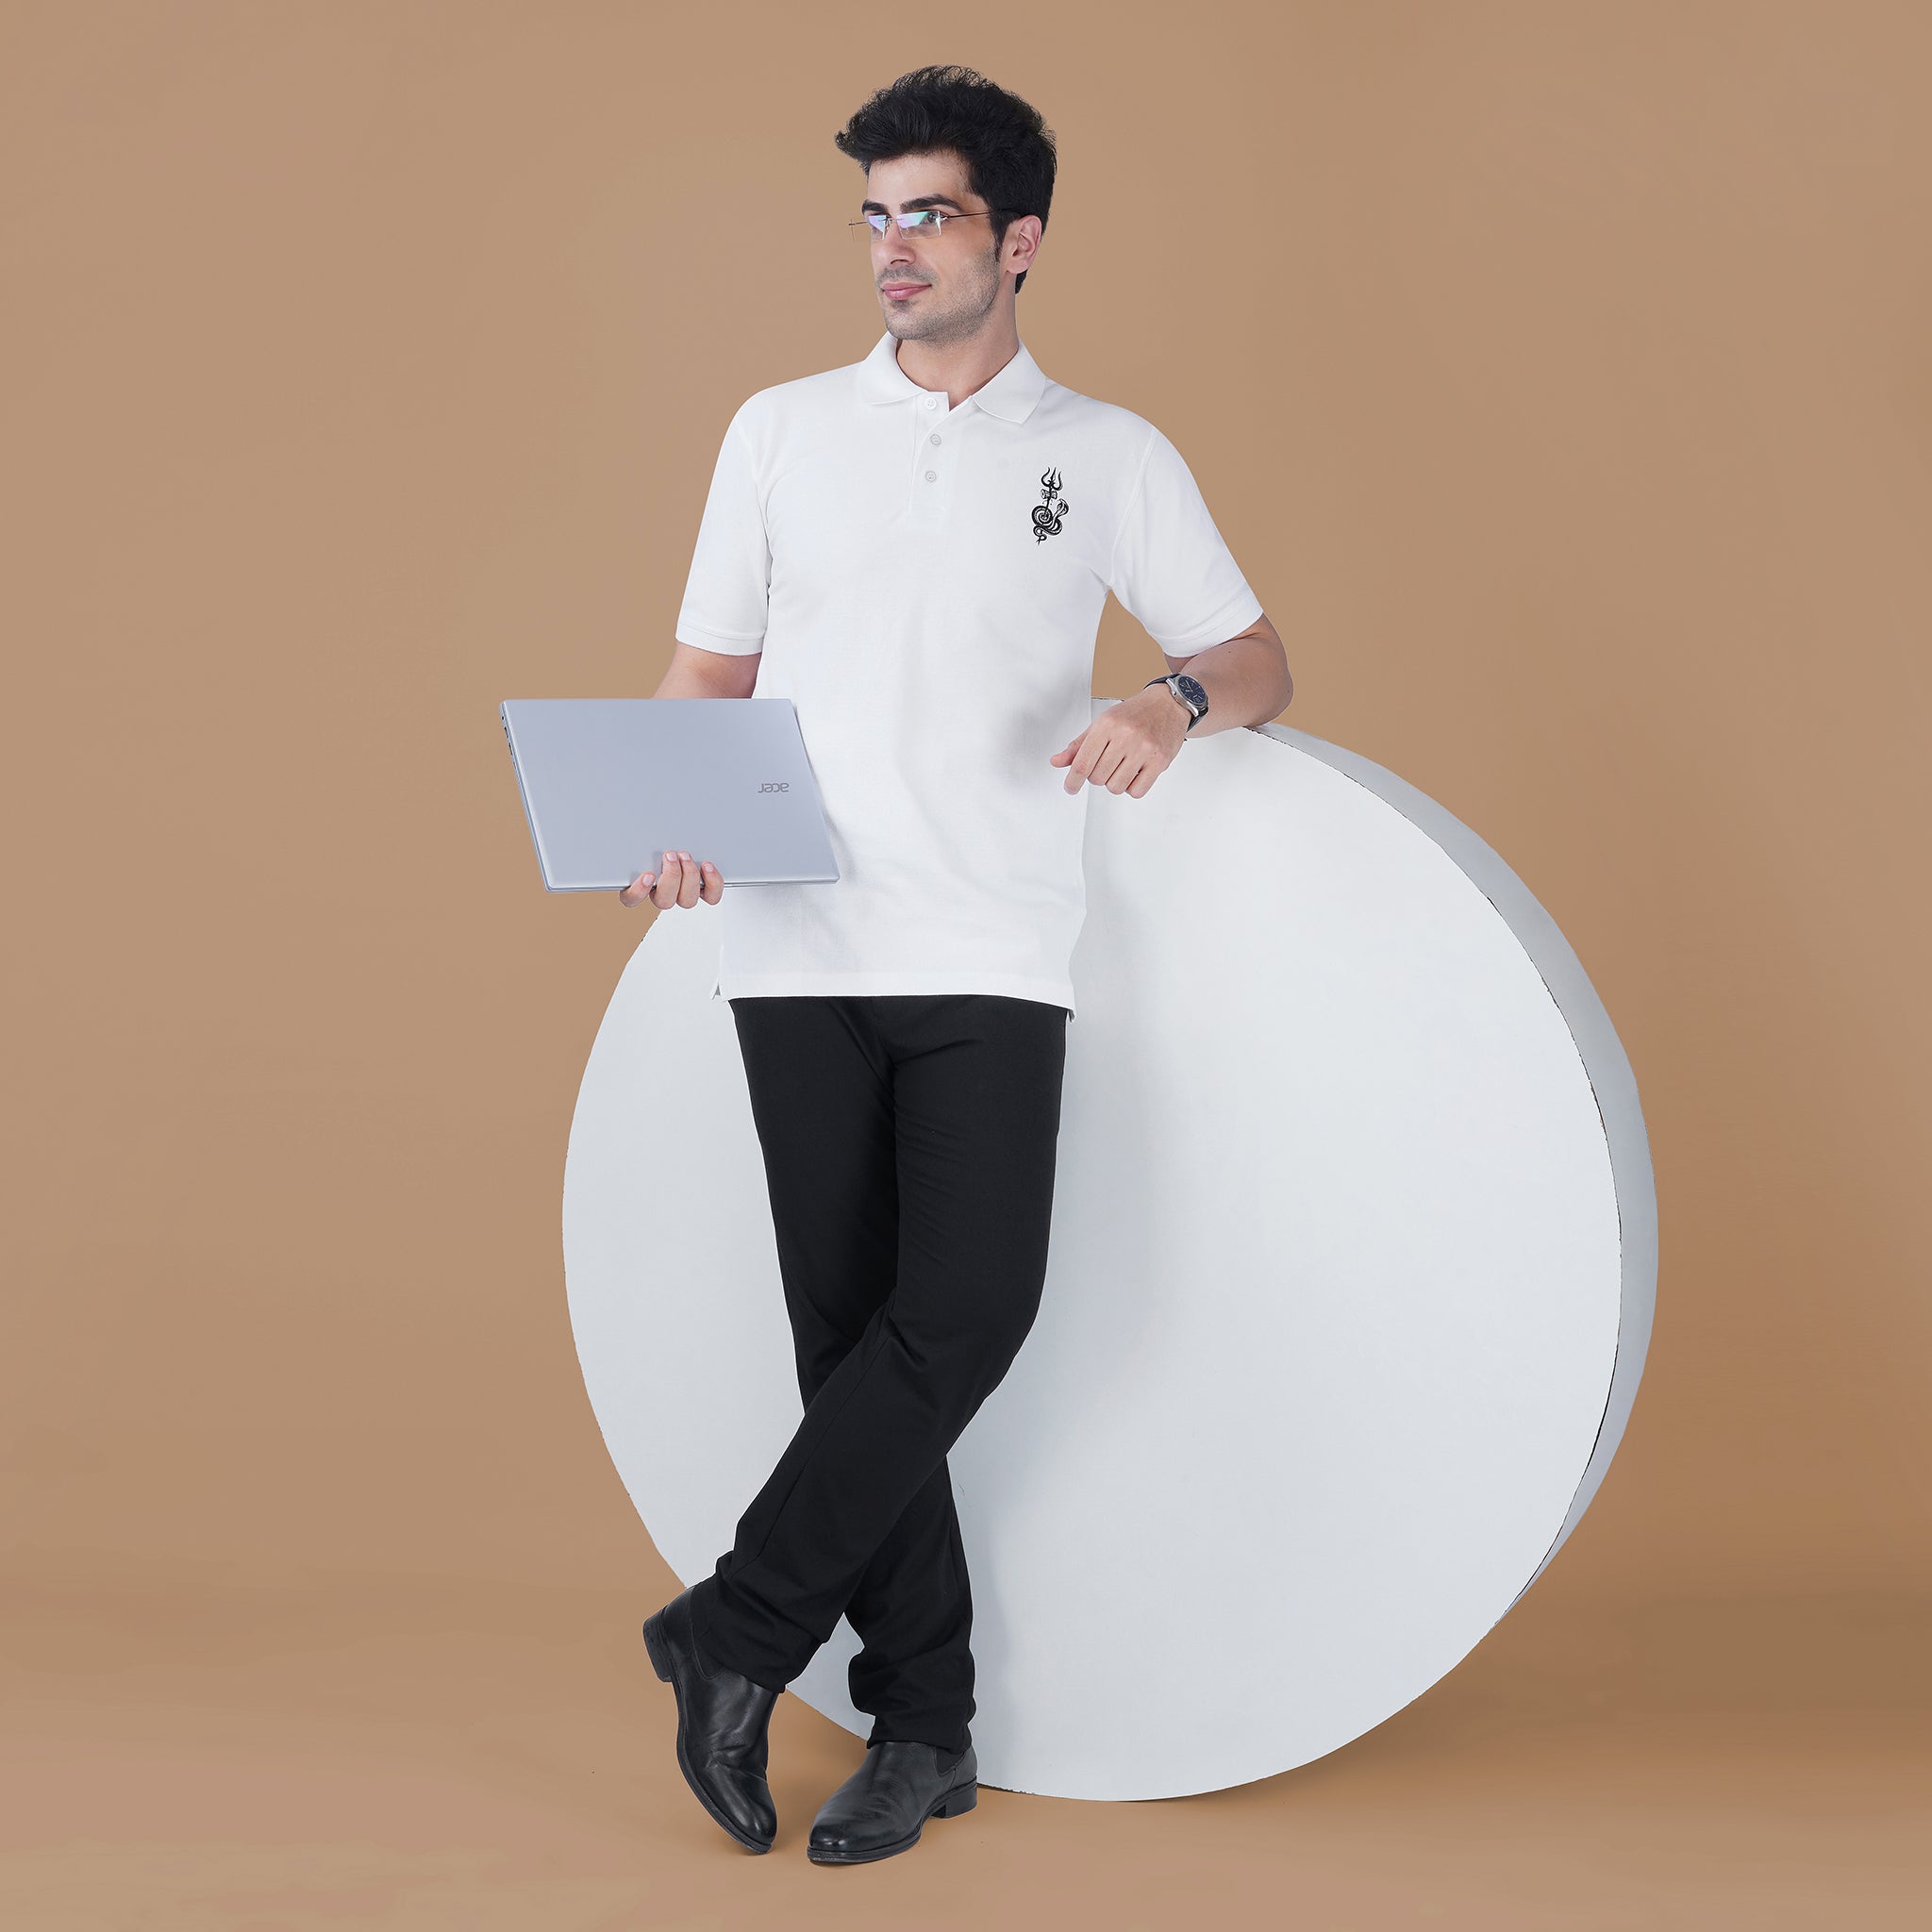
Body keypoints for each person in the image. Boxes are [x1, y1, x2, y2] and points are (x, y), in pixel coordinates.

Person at [624, 64, 1293, 1865]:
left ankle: (735, 1631)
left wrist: (1163, 701)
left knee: (963, 1314)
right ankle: (926, 1729)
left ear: (1022, 240)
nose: (894, 249)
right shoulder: (777, 429)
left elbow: (1251, 654)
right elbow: (710, 676)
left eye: (928, 215)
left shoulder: (1110, 452)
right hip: (788, 935)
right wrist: (668, 813)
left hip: (995, 940)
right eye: (874, 216)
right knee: (850, 1346)